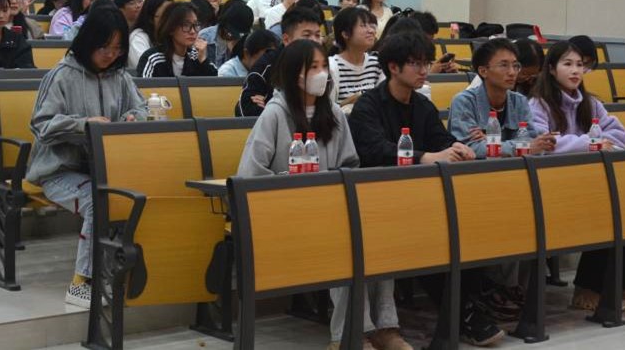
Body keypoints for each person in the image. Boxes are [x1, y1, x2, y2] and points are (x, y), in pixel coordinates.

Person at [234, 39, 413, 350]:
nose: (321, 74)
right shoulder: (274, 114)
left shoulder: (333, 113)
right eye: (313, 67)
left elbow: (350, 164)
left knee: (375, 236)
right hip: (284, 214)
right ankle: (349, 335)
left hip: (329, 211)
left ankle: (385, 326)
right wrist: (288, 183)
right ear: (295, 75)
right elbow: (249, 174)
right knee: (345, 244)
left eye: (323, 67)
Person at [348, 32, 503, 347]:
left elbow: (440, 139)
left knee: (471, 227)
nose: (424, 71)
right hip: (380, 200)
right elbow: (375, 150)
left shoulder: (422, 104)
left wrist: (458, 147)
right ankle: (463, 315)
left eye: (426, 63)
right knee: (430, 236)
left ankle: (467, 308)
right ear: (393, 67)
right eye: (416, 64)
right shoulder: (368, 105)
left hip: (423, 196)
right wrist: (425, 157)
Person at [27, 7, 146, 309]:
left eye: (118, 48)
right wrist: (83, 125)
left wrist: (133, 117)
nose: (111, 55)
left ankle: (117, 273)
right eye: (104, 47)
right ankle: (81, 283)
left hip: (103, 169)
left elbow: (141, 108)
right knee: (98, 201)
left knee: (134, 195)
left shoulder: (120, 76)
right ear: (88, 42)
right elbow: (41, 125)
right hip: (58, 171)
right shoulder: (62, 75)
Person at [526, 40, 625, 311]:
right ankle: (587, 286)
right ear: (551, 69)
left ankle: (623, 283)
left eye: (580, 65)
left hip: (589, 181)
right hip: (551, 185)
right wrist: (590, 143)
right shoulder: (538, 104)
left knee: (621, 206)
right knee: (603, 208)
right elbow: (544, 143)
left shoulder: (590, 103)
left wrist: (594, 144)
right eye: (567, 64)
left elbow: (618, 136)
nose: (575, 70)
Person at [450, 39, 555, 159]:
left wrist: (492, 142)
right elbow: (470, 149)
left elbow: (532, 142)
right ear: (483, 71)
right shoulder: (464, 102)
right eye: (504, 65)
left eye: (515, 66)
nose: (512, 72)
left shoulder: (520, 101)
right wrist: (520, 147)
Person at [237, 7, 323, 117]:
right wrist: (273, 112)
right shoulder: (266, 66)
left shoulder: (322, 66)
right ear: (286, 40)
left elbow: (325, 105)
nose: (314, 41)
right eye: (307, 35)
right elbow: (246, 110)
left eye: (317, 35)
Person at [137, 3, 218, 78]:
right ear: (171, 29)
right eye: (186, 25)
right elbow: (143, 87)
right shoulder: (153, 58)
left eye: (196, 25)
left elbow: (216, 84)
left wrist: (203, 59)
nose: (193, 31)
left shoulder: (195, 56)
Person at [329, 7, 381, 112]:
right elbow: (327, 110)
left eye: (372, 26)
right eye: (363, 25)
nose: (371, 31)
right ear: (345, 34)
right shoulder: (332, 66)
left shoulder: (377, 64)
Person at [198, 0, 253, 70]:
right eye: (230, 33)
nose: (231, 37)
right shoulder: (205, 36)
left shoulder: (246, 42)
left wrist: (235, 51)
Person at [129, 0, 173, 69]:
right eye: (165, 16)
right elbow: (146, 68)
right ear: (150, 18)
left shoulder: (173, 36)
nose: (171, 20)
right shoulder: (138, 38)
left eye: (173, 15)